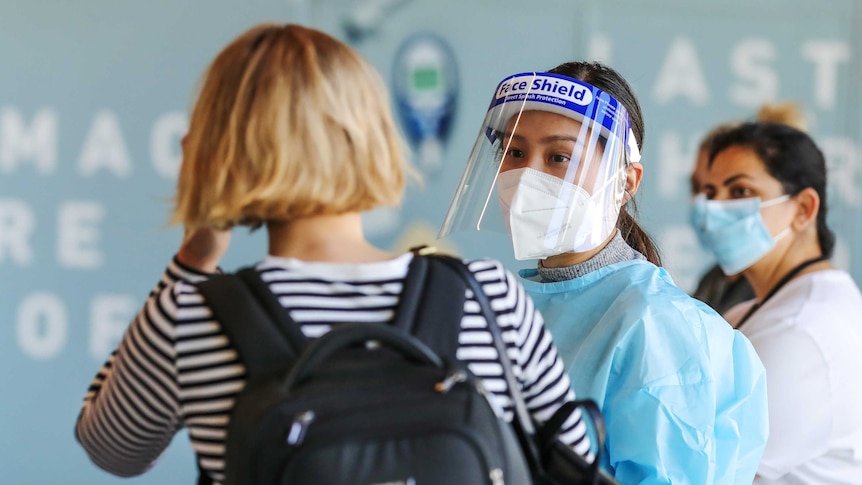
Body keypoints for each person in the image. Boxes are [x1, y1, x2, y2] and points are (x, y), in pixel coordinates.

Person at [74, 23, 593, 483]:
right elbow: (577, 459)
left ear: (213, 153)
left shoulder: (190, 316)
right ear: (372, 138)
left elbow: (112, 450)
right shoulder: (489, 297)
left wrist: (195, 254)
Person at [439, 61, 768, 484]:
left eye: (559, 157)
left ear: (625, 181)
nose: (526, 176)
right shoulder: (505, 304)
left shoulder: (656, 324)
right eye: (514, 152)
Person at [694, 121, 862, 483]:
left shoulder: (803, 329)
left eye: (740, 191)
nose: (714, 209)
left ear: (803, 209)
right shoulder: (761, 309)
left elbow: (713, 472)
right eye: (710, 192)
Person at [690, 102, 808, 315]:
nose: (710, 205)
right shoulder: (714, 281)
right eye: (706, 191)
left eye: (739, 191)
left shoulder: (785, 293)